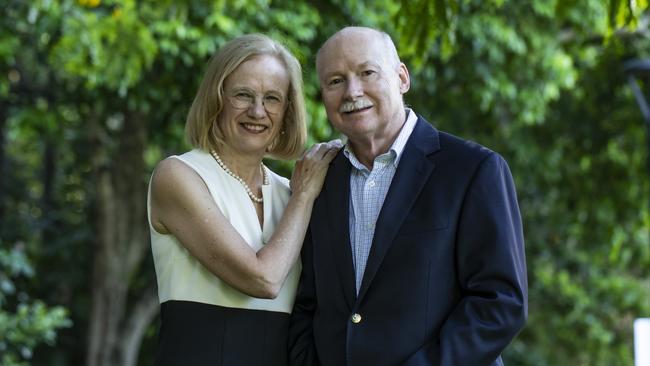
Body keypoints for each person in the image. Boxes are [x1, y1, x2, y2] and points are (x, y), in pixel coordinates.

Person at [289, 26, 527, 366]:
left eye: (367, 72)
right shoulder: (320, 181)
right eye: (335, 81)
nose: (352, 91)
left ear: (402, 77)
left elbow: (501, 303)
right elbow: (307, 303)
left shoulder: (473, 170)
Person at [147, 34, 340, 366]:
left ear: (287, 112)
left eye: (272, 99)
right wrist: (305, 195)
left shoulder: (289, 192)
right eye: (243, 95)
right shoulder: (178, 175)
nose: (257, 111)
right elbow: (262, 279)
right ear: (216, 99)